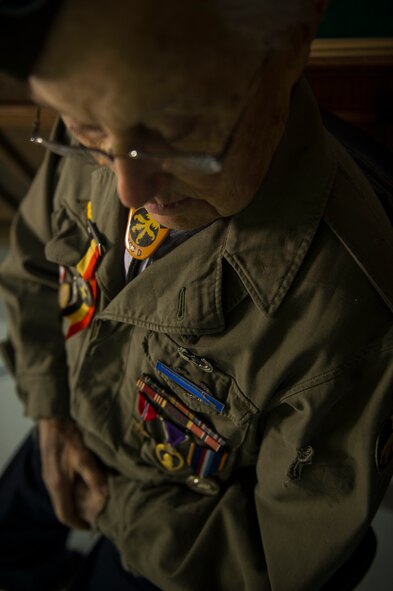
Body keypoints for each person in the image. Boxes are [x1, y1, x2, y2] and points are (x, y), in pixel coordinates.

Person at [0, 0, 392, 589]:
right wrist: (49, 410)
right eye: (86, 131)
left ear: (290, 46)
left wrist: (115, 509)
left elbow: (272, 562)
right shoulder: (102, 105)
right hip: (70, 418)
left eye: (177, 131)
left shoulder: (348, 320)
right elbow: (32, 263)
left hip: (172, 541)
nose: (128, 188)